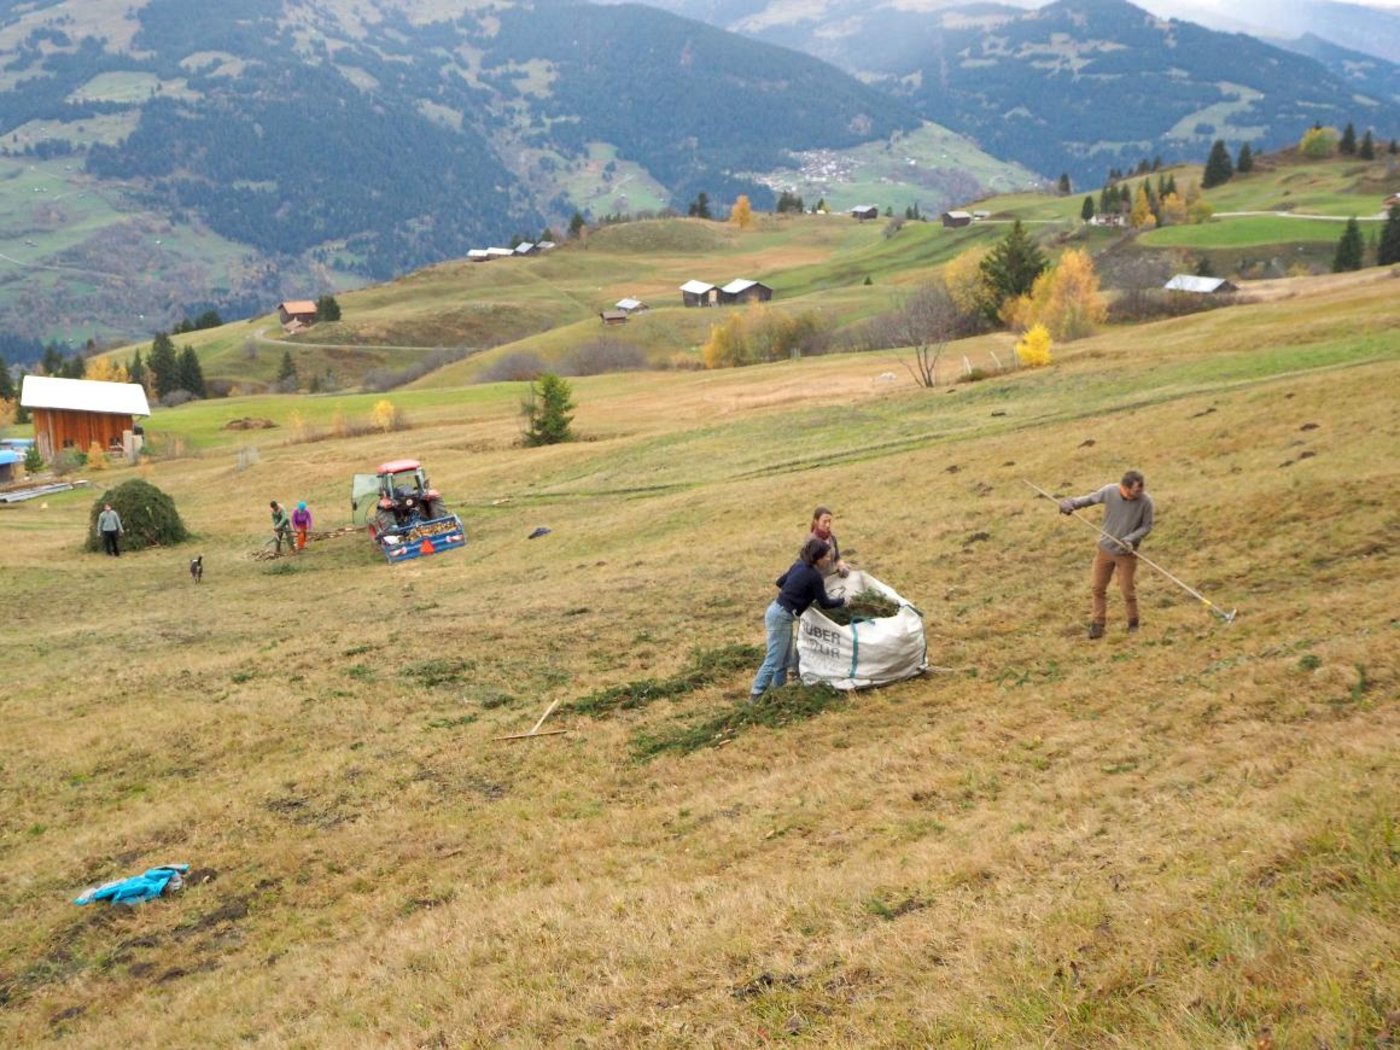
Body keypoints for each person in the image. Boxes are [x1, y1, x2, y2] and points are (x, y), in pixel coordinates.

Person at [1059, 470, 1155, 638]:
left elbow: (1146, 526)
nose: (1138, 495)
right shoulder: (1110, 491)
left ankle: (1133, 623)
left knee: (1127, 590)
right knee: (1098, 588)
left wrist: (1130, 539)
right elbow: (1089, 499)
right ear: (1123, 488)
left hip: (1126, 554)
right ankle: (1098, 625)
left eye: (1140, 491)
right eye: (1134, 492)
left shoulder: (1146, 502)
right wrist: (1070, 503)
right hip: (1105, 550)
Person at [750, 537, 847, 700]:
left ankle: (778, 692)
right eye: (826, 556)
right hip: (781, 616)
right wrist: (844, 601)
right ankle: (756, 694)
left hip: (777, 611)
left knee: (784, 659)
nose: (829, 559)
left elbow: (780, 582)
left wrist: (798, 591)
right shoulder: (814, 576)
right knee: (774, 659)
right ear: (818, 557)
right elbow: (825, 603)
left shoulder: (799, 565)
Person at [809, 505, 851, 577]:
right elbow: (807, 568)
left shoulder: (832, 538)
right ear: (816, 522)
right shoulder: (811, 542)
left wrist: (841, 565)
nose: (828, 525)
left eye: (829, 521)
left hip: (832, 580)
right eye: (824, 522)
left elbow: (837, 558)